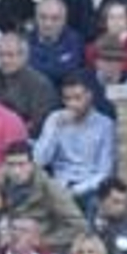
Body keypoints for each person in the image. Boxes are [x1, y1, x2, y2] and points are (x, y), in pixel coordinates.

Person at [32, 73, 116, 213]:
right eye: (67, 99)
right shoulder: (55, 118)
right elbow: (39, 160)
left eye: (77, 98)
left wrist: (75, 190)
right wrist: (55, 128)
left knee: (94, 203)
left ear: (89, 96)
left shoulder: (105, 125)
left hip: (89, 186)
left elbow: (104, 171)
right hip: (60, 183)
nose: (72, 104)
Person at [0, 140, 85, 254]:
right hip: (4, 243)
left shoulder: (49, 187)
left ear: (31, 165)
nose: (16, 171)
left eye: (21, 164)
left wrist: (43, 242)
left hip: (39, 249)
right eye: (11, 165)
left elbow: (78, 225)